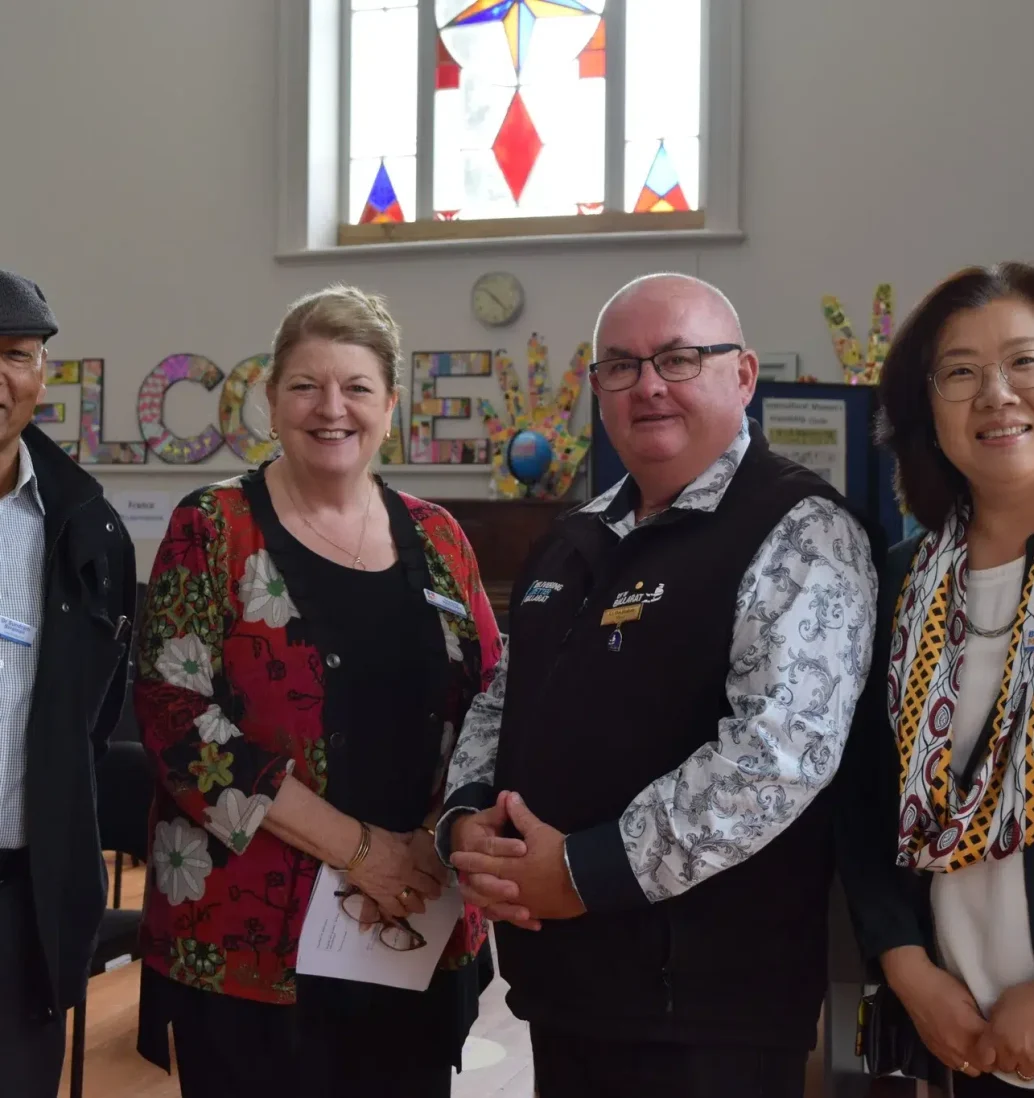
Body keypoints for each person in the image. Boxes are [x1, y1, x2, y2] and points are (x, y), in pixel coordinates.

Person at [437, 272, 879, 1098]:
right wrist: (466, 821)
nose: (647, 386)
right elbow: (504, 697)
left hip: (706, 1007)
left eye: (678, 359)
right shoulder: (571, 538)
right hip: (565, 981)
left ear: (742, 375)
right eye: (620, 365)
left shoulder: (802, 529)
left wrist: (580, 871)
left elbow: (777, 754)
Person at [134, 284, 502, 1098]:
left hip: (414, 919)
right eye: (305, 385)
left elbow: (494, 701)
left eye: (357, 387)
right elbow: (177, 722)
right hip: (249, 942)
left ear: (391, 405)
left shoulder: (439, 538)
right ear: (272, 401)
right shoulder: (213, 527)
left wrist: (429, 852)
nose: (330, 408)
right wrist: (363, 853)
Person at [838, 262, 1034, 1096]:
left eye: (1025, 361)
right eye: (961, 371)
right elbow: (863, 796)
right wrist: (910, 970)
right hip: (962, 1028)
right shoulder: (898, 585)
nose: (996, 393)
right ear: (927, 409)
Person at [0, 268, 136, 1097]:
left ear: (42, 373)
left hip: (24, 900)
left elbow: (94, 718)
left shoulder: (87, 528)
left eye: (15, 354)